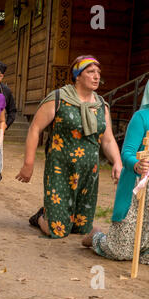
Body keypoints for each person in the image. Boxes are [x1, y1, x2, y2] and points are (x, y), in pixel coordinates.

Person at [16, 55, 122, 239]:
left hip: (90, 172)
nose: (96, 76)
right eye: (90, 72)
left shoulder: (101, 106)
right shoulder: (58, 98)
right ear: (77, 76)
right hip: (60, 169)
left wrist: (117, 163)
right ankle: (42, 217)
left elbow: (108, 139)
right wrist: (28, 163)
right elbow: (35, 129)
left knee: (81, 229)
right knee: (56, 231)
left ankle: (57, 213)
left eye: (98, 72)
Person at [82, 80, 149, 264]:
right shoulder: (141, 117)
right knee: (119, 252)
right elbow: (127, 152)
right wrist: (137, 165)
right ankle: (96, 236)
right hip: (138, 188)